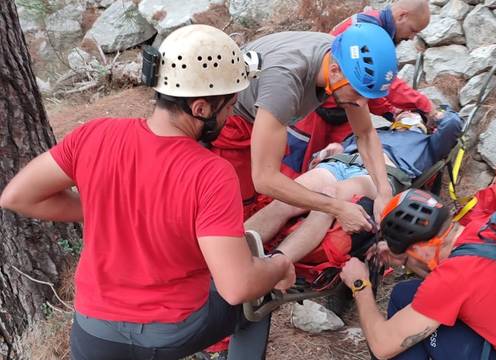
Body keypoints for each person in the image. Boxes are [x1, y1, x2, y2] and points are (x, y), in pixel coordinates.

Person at [0, 25, 295, 360]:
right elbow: (237, 285)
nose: (232, 114)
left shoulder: (94, 135)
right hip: (169, 332)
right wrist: (279, 266)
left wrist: (107, 204)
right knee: (255, 296)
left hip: (94, 331)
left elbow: (17, 197)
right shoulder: (210, 172)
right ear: (201, 108)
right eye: (230, 104)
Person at [338, 189, 496, 360]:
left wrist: (361, 285)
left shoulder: (453, 278)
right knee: (404, 293)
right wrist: (406, 256)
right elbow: (451, 280)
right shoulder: (484, 225)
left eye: (409, 255)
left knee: (399, 335)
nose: (406, 262)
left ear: (420, 248)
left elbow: (381, 346)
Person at [212, 22, 398, 233]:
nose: (363, 105)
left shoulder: (338, 58)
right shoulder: (285, 81)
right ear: (335, 71)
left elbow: (364, 134)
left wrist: (384, 192)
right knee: (234, 207)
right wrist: (337, 207)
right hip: (228, 122)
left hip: (260, 111)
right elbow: (264, 179)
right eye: (358, 94)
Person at [247, 107, 462, 262]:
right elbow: (338, 147)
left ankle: (275, 266)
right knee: (288, 197)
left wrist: (434, 112)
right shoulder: (378, 130)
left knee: (331, 196)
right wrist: (328, 151)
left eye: (412, 114)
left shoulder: (428, 144)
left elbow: (453, 125)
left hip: (380, 176)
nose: (406, 114)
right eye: (404, 112)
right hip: (340, 164)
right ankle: (231, 251)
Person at [283, 0, 435, 179]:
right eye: (413, 30)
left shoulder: (378, 32)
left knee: (335, 166)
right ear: (402, 16)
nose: (411, 38)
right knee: (293, 167)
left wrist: (392, 112)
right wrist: (426, 107)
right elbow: (389, 84)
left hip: (347, 108)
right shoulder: (364, 30)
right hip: (318, 108)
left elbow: (370, 92)